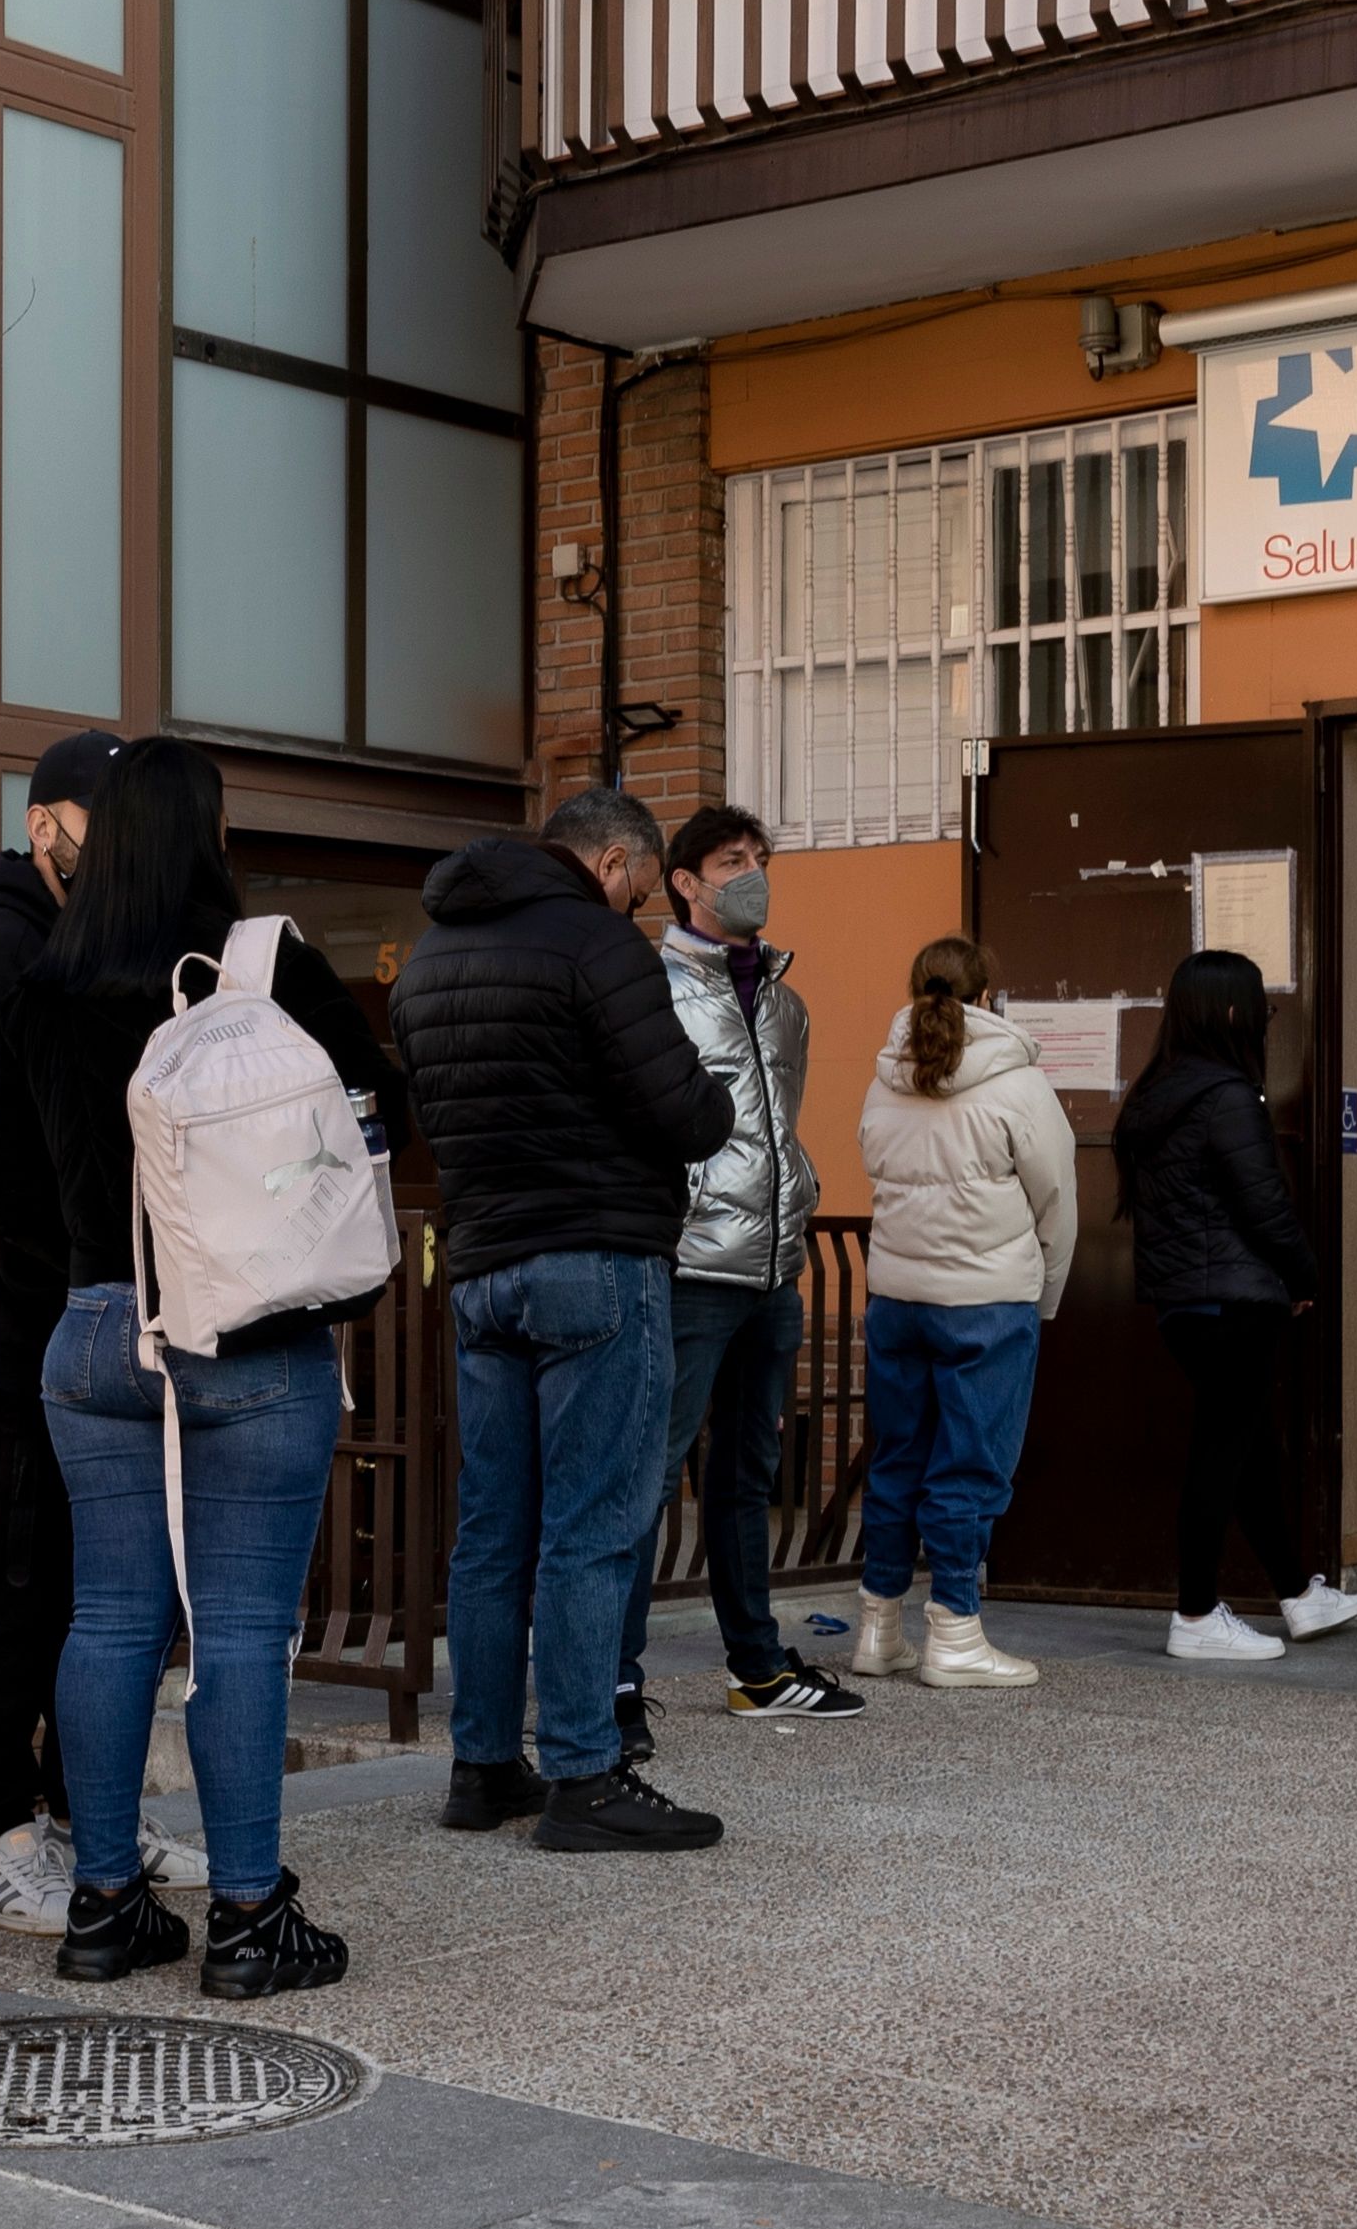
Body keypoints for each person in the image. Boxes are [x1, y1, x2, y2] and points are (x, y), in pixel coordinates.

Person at [0, 736, 389, 1993]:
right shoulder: (265, 966)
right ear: (210, 831)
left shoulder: (42, 982)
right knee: (245, 1632)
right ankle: (251, 1922)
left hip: (94, 1332)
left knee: (107, 1620)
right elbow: (379, 1113)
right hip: (249, 1339)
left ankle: (104, 1907)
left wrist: (102, 1265)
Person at [390, 785, 736, 1850]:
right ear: (616, 861)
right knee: (592, 1529)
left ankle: (485, 1766)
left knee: (492, 1533)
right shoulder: (597, 945)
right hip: (595, 1258)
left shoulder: (432, 956)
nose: (636, 896)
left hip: (484, 1266)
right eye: (637, 877)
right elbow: (685, 1110)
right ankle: (587, 1775)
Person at [0, 726, 196, 1931]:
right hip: (9, 1326)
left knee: (95, 1585)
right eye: (103, 821)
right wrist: (77, 1307)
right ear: (46, 825)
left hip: (79, 1328)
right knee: (18, 1573)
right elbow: (1, 1178)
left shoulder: (77, 953)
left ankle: (91, 1823)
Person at [610, 803, 865, 1741]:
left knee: (748, 1476)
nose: (751, 872)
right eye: (731, 859)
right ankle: (614, 1682)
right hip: (684, 1268)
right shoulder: (651, 988)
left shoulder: (786, 1001)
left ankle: (756, 1667)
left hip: (771, 1268)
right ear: (684, 881)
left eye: (760, 857)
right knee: (647, 1477)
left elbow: (777, 1129)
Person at [1111, 948, 1357, 1664]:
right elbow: (1264, 1204)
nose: (1264, 1019)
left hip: (1186, 1305)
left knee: (1250, 1450)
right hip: (1234, 1301)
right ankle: (1194, 1616)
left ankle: (1297, 1594)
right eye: (1261, 1006)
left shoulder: (1156, 1093)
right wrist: (1304, 1273)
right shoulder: (1226, 1095)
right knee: (1223, 1453)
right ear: (1231, 1012)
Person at [850, 937, 1077, 1691]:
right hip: (985, 1303)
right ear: (987, 997)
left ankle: (877, 1630)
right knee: (968, 1467)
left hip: (896, 1300)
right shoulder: (1016, 1082)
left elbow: (874, 1163)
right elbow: (1055, 1201)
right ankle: (953, 1632)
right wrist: (1042, 1293)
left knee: (896, 1458)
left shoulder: (886, 1075)